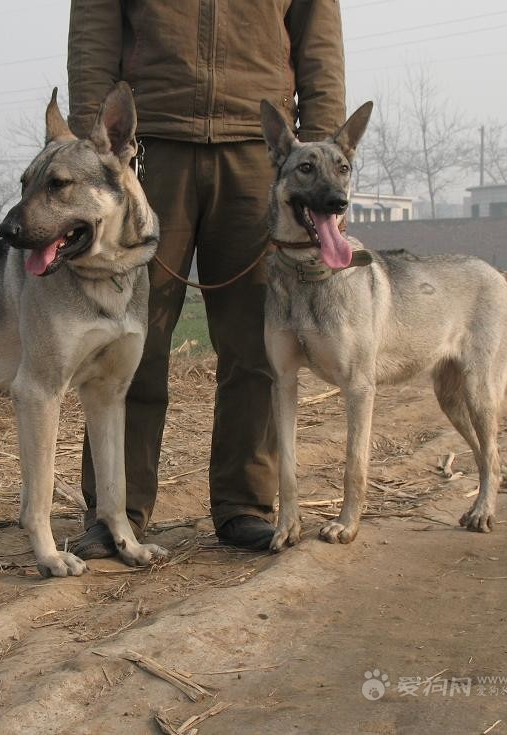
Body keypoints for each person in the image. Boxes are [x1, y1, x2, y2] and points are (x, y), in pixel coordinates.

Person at [67, 0, 346, 556]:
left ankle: (245, 503)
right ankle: (114, 511)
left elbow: (319, 44)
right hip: (150, 144)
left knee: (256, 342)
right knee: (133, 338)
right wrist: (91, 147)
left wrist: (318, 155)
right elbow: (94, 34)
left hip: (257, 146)